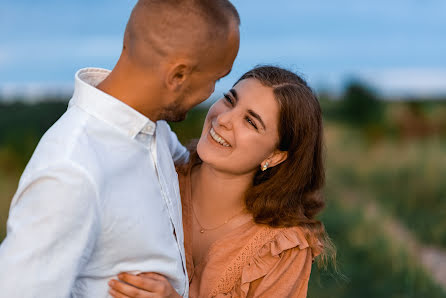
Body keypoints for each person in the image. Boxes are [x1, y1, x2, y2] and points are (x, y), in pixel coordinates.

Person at [0, 0, 240, 297]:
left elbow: (207, 177)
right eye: (215, 79)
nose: (211, 93)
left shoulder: (156, 131)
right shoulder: (71, 170)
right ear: (178, 76)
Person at [107, 66, 335, 298]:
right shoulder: (153, 176)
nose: (224, 119)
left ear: (275, 156)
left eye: (250, 121)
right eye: (229, 100)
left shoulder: (282, 249)